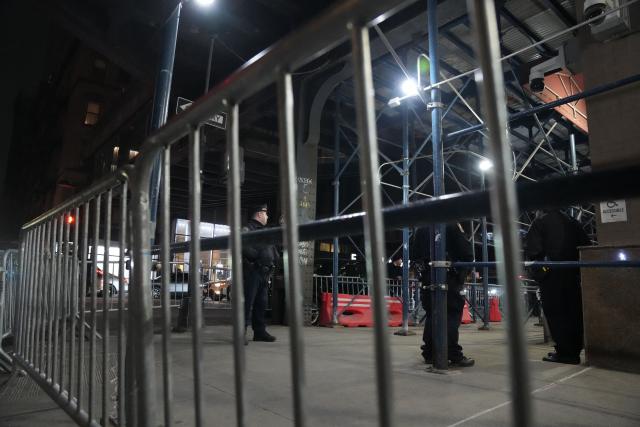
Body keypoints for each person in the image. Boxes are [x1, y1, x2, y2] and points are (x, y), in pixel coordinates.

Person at [525, 209, 590, 364]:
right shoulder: (572, 221)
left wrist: (540, 274)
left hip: (552, 276)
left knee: (556, 313)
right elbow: (586, 246)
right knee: (573, 312)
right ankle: (574, 350)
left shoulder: (540, 221)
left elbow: (533, 250)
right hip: (572, 274)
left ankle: (565, 353)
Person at [413, 223, 475, 367]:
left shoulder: (421, 229)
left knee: (431, 315)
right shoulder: (451, 225)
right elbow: (466, 253)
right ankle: (452, 353)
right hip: (449, 278)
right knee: (451, 315)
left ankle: (429, 352)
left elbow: (415, 255)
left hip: (428, 278)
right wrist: (461, 275)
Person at [242, 203, 279, 344]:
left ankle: (259, 332)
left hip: (264, 273)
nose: (267, 216)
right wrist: (257, 258)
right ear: (259, 214)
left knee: (261, 304)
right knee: (247, 303)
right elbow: (244, 247)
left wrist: (274, 259)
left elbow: (272, 249)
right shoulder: (248, 229)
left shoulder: (264, 231)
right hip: (252, 271)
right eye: (266, 213)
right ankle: (241, 332)